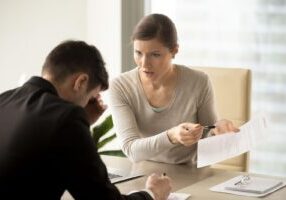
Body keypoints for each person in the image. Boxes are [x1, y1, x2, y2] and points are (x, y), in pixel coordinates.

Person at [0, 40, 171, 200]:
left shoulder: (5, 99)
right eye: (91, 96)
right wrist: (152, 193)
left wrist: (83, 122)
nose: (87, 104)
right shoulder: (66, 118)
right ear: (80, 82)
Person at [109, 14, 239, 164]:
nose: (144, 64)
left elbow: (207, 139)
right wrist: (171, 136)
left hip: (191, 175)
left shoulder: (199, 82)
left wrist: (218, 132)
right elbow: (131, 150)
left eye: (155, 55)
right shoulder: (121, 87)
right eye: (138, 53)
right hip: (144, 175)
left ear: (174, 50)